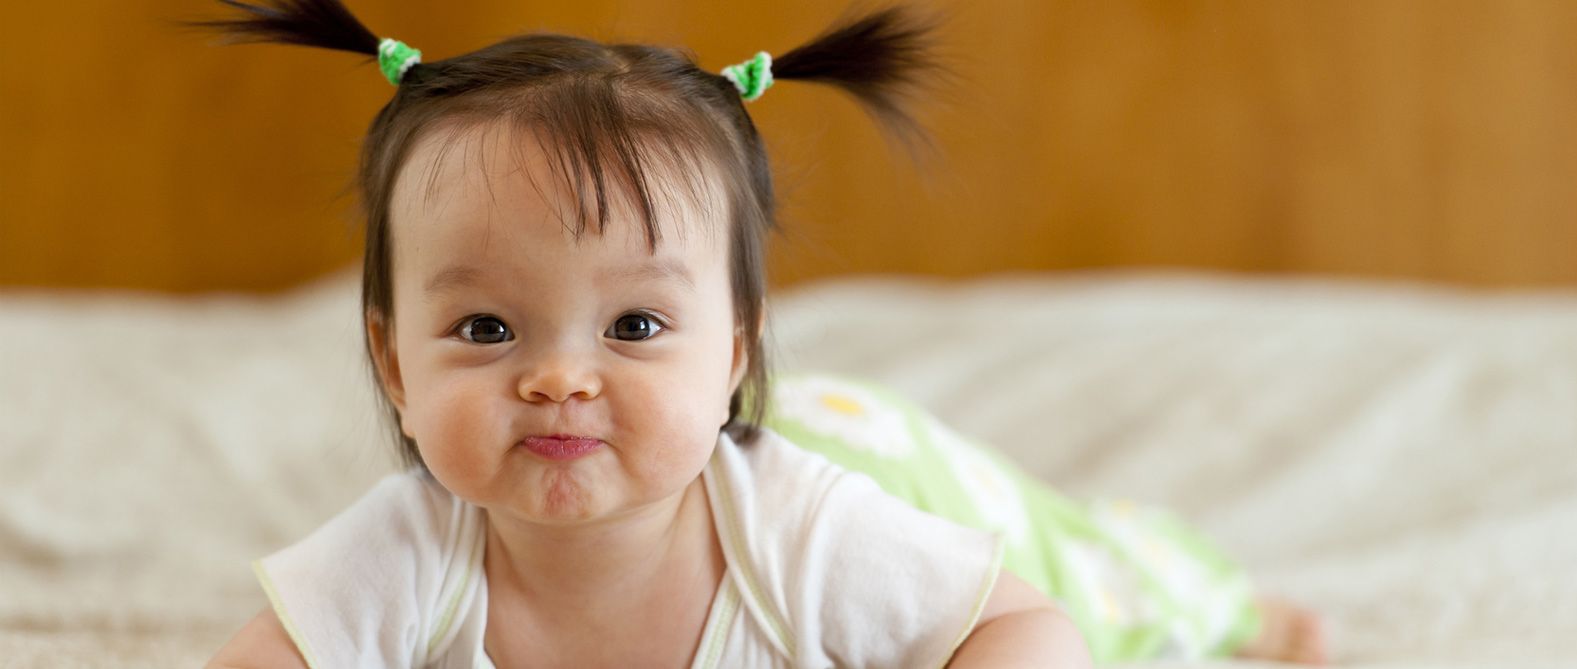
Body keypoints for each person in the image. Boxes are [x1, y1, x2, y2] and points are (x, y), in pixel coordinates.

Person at [198, 1, 1321, 666]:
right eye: (485, 327)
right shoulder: (407, 552)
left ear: (732, 347)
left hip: (859, 449)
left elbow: (1027, 629)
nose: (555, 377)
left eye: (635, 323)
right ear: (395, 364)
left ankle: (1227, 598)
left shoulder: (806, 537)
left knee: (1096, 581)